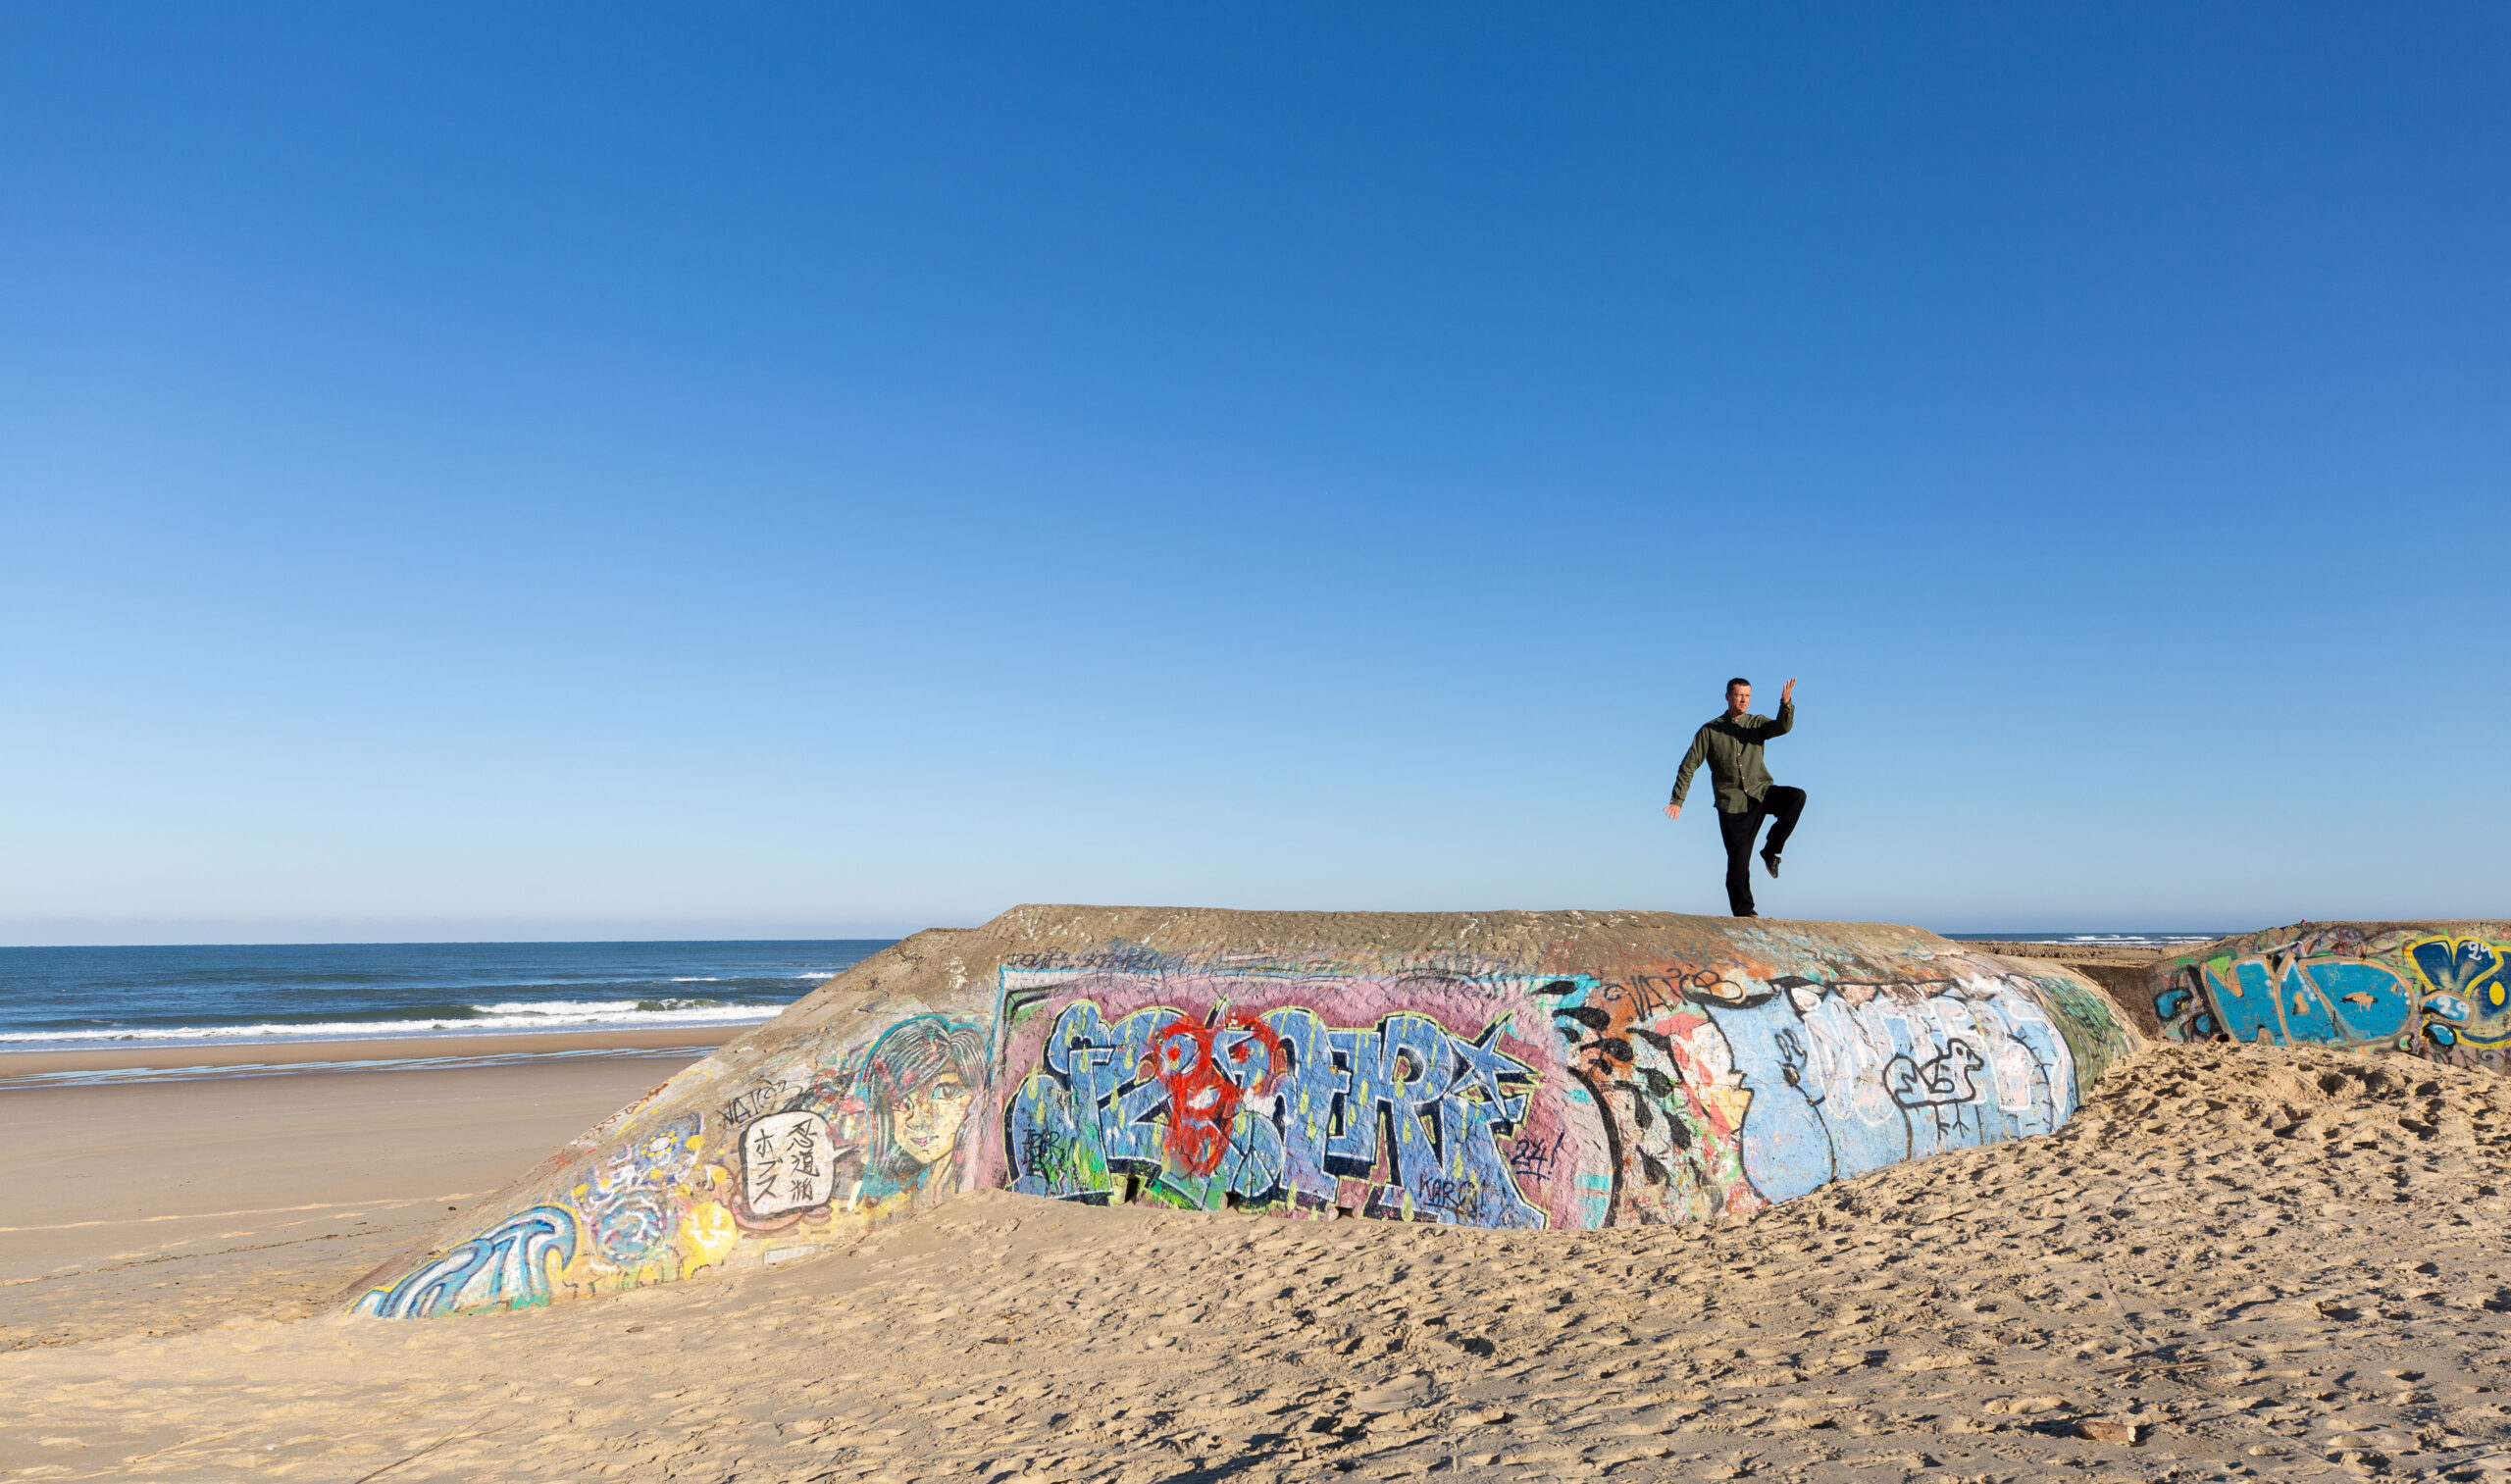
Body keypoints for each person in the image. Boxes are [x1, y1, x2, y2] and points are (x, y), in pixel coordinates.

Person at [1664, 676, 1804, 918]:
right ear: (1728, 696)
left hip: (1761, 792)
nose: (1743, 700)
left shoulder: (1756, 724)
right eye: (1739, 695)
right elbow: (1689, 765)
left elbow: (1782, 727)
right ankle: (1744, 912)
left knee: (1796, 797)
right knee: (1738, 862)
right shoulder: (1710, 731)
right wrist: (1677, 800)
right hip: (1732, 804)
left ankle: (1771, 850)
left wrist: (1786, 703)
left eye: (1747, 696)